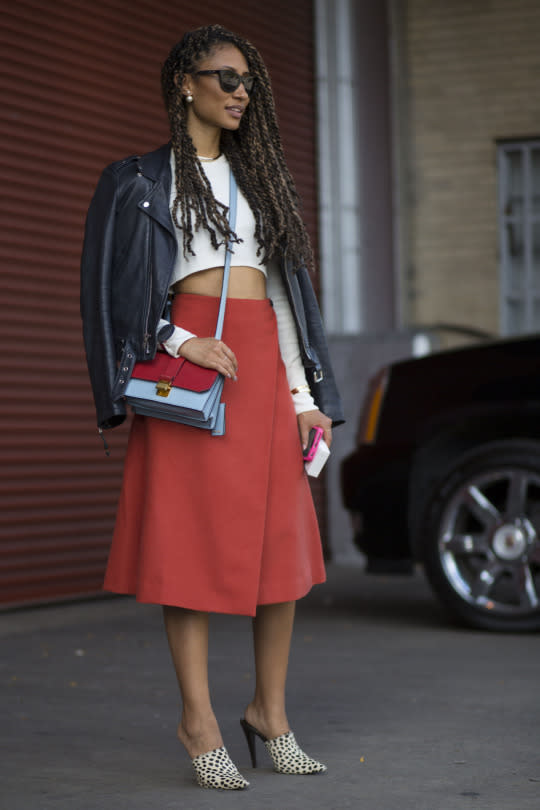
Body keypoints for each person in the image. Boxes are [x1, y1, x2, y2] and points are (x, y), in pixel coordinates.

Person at [80, 24, 344, 791]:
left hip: (262, 366)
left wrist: (304, 397)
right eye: (224, 77)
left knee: (283, 555)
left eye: (247, 81)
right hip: (188, 370)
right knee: (187, 552)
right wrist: (178, 339)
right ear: (182, 85)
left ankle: (270, 713)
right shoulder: (137, 180)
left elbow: (288, 304)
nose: (239, 91)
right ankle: (197, 721)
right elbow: (114, 293)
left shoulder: (260, 181)